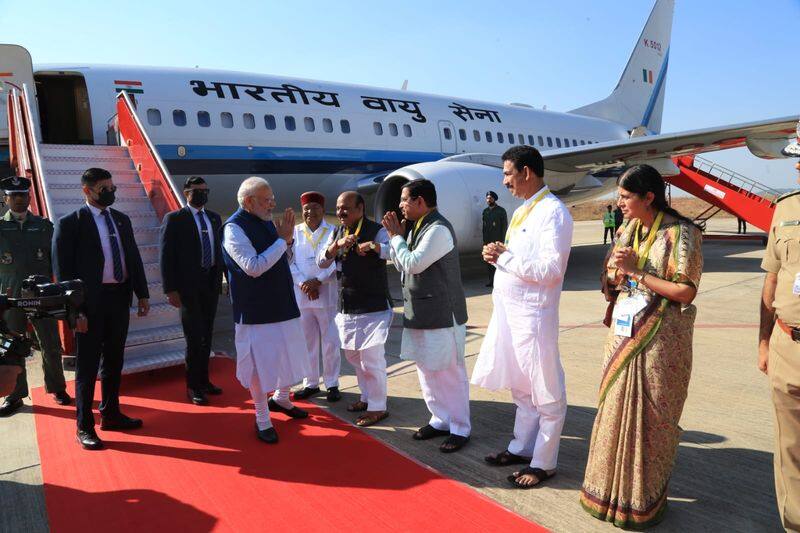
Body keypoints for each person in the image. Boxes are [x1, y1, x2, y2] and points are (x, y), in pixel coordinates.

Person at [580, 164, 703, 529]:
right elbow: (612, 282)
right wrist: (614, 274)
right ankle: (606, 496)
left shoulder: (682, 234)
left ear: (649, 197)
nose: (618, 202)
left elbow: (685, 291)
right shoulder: (627, 230)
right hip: (622, 336)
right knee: (614, 412)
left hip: (661, 341)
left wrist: (636, 272)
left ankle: (643, 502)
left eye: (625, 196)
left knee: (652, 418)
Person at [472, 145, 573, 488]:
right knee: (522, 388)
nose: (504, 183)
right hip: (511, 313)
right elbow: (518, 259)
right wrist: (497, 256)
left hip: (534, 316)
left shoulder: (554, 213)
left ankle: (544, 462)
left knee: (546, 390)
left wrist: (506, 258)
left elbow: (551, 269)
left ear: (527, 172)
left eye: (507, 174)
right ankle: (521, 447)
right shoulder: (523, 211)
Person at [53, 167, 150, 450]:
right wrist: (75, 312)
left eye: (112, 187)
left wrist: (141, 293)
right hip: (89, 305)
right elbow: (64, 274)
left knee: (114, 360)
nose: (110, 192)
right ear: (87, 190)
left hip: (119, 298)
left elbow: (132, 257)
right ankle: (84, 426)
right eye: (103, 188)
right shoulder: (71, 223)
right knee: (87, 366)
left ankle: (111, 413)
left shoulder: (121, 220)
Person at [382, 179, 471, 453]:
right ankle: (439, 418)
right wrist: (396, 240)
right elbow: (401, 264)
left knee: (448, 371)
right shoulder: (417, 228)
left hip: (443, 313)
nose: (400, 205)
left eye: (405, 200)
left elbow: (415, 263)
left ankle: (460, 427)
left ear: (421, 202)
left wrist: (397, 238)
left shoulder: (438, 230)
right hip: (420, 311)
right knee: (426, 368)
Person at [222, 177, 310, 444]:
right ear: (249, 201)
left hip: (282, 302)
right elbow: (253, 266)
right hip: (256, 311)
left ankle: (282, 398)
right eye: (267, 199)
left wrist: (289, 244)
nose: (273, 203)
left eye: (272, 197)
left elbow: (283, 259)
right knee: (260, 367)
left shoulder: (267, 222)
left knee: (289, 354)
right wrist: (282, 242)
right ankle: (262, 418)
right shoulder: (234, 229)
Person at [318, 191, 391, 427]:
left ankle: (378, 406)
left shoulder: (375, 229)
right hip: (347, 305)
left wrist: (375, 247)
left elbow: (394, 252)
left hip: (373, 305)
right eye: (338, 208)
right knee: (354, 356)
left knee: (372, 358)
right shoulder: (337, 232)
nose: (340, 212)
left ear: (360, 209)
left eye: (346, 208)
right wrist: (335, 246)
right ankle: (366, 397)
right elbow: (322, 261)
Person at [758, 131, 800, 533]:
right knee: (790, 450)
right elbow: (770, 283)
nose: (799, 163)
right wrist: (764, 341)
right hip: (788, 345)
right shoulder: (785, 209)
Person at [0, 176, 70, 417]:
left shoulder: (43, 226)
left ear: (30, 197)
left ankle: (57, 388)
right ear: (5, 198)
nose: (19, 200)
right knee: (12, 347)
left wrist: (59, 290)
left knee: (50, 343)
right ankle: (15, 395)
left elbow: (57, 261)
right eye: (14, 196)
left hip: (41, 296)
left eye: (23, 196)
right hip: (10, 297)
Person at [160, 176, 224, 406]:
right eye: (197, 191)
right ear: (186, 193)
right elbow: (166, 257)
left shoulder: (214, 218)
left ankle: (205, 380)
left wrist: (223, 279)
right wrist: (170, 289)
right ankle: (193, 386)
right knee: (194, 338)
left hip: (210, 285)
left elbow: (219, 251)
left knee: (207, 336)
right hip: (187, 288)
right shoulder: (175, 219)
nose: (202, 195)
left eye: (205, 191)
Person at [290, 191, 341, 402]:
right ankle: (310, 383)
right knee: (307, 342)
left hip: (325, 294)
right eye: (306, 209)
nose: (311, 212)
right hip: (303, 296)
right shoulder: (294, 232)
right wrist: (303, 283)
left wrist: (318, 280)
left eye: (315, 208)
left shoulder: (333, 231)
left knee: (330, 342)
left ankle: (332, 383)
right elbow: (289, 262)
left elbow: (336, 262)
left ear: (322, 209)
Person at [482, 191, 508, 287]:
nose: (488, 200)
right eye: (487, 198)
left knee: (499, 262)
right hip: (488, 241)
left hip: (497, 241)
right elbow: (484, 228)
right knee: (489, 262)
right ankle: (491, 280)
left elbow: (504, 227)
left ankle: (499, 282)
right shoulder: (485, 211)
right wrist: (484, 241)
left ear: (494, 199)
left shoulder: (501, 211)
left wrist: (502, 241)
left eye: (490, 198)